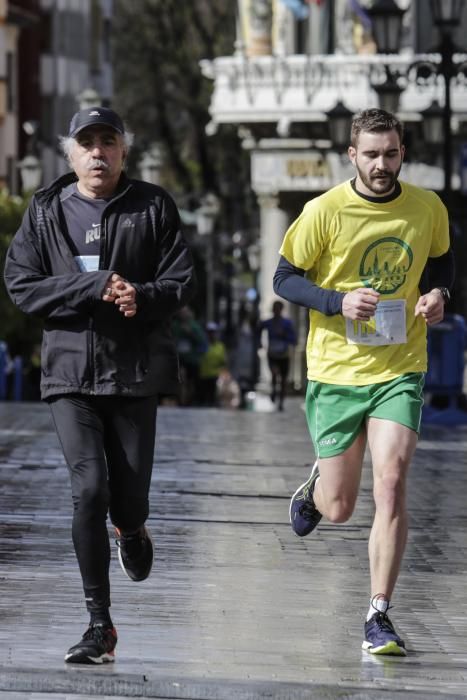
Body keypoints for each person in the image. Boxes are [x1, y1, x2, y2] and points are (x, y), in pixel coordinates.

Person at [4, 106, 195, 664]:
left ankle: (132, 530)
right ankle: (99, 626)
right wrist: (90, 288)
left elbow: (181, 280)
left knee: (128, 498)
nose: (97, 153)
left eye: (107, 142)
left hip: (133, 373)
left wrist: (144, 295)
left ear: (122, 151)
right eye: (86, 143)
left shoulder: (153, 205)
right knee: (89, 489)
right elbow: (23, 286)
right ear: (70, 153)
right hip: (69, 376)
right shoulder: (44, 212)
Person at [273, 108, 454, 656]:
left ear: (403, 153)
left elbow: (443, 264)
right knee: (341, 507)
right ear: (352, 155)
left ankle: (379, 614)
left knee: (393, 482)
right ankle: (316, 489)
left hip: (400, 368)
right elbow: (284, 278)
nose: (382, 164)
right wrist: (337, 301)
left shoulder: (428, 207)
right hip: (335, 370)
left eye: (391, 153)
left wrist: (439, 296)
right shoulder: (324, 210)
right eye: (371, 154)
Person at [259, 300, 297, 411]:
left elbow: (293, 339)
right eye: (274, 308)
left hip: (284, 355)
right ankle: (274, 391)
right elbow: (259, 328)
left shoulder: (287, 323)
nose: (276, 311)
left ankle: (281, 402)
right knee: (274, 374)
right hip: (272, 354)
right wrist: (259, 343)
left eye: (277, 308)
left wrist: (285, 336)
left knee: (284, 380)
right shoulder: (269, 323)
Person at [198, 322, 227, 406]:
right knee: (203, 397)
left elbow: (224, 362)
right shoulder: (202, 345)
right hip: (203, 374)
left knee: (213, 397)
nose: (211, 334)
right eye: (209, 332)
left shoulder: (220, 346)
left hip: (215, 375)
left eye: (213, 332)